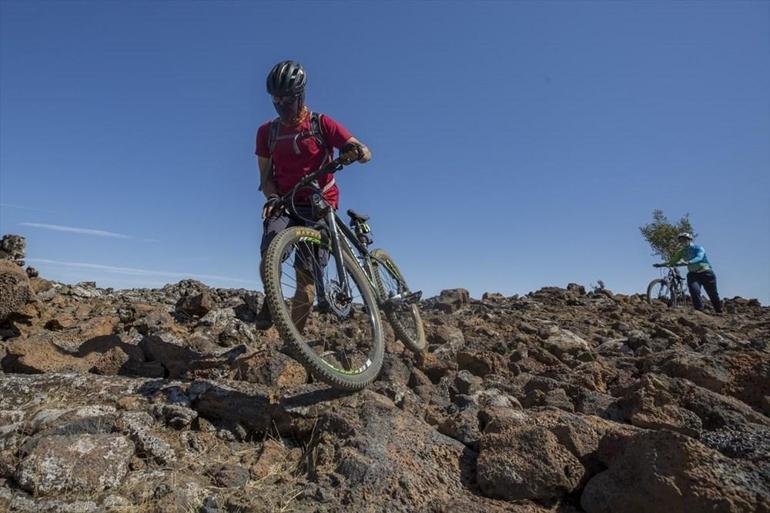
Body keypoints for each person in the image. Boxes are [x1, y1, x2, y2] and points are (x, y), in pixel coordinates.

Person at [254, 60, 371, 330]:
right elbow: (265, 179)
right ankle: (271, 298)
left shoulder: (321, 124)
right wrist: (272, 198)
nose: (281, 104)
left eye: (287, 98)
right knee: (270, 252)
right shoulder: (266, 133)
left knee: (306, 282)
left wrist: (359, 152)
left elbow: (359, 148)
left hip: (320, 205)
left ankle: (292, 341)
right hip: (285, 202)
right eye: (276, 99)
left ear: (300, 95)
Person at [667, 232, 722, 313]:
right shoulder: (682, 251)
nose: (683, 242)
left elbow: (699, 257)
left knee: (712, 294)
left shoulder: (698, 248)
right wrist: (662, 264)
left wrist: (689, 262)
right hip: (693, 274)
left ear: (690, 240)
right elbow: (673, 260)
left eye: (685, 240)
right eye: (681, 240)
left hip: (706, 272)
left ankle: (719, 310)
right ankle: (699, 310)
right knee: (694, 290)